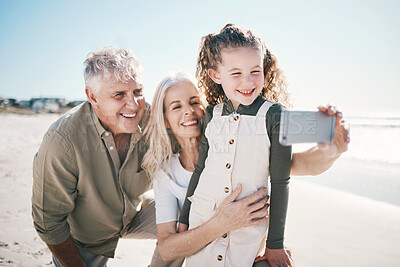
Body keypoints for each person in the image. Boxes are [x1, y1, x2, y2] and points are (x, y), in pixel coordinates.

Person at [143, 66, 349, 266]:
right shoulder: (166, 172)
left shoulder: (243, 146)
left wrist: (332, 150)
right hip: (195, 253)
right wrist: (222, 222)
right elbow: (168, 249)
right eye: (176, 107)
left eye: (194, 101)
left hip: (244, 254)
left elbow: (301, 165)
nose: (188, 111)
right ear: (166, 120)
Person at [31, 47, 182, 267]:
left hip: (133, 214)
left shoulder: (155, 122)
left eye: (137, 91)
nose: (133, 104)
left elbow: (196, 146)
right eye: (119, 94)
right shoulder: (62, 141)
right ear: (92, 96)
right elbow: (49, 223)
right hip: (84, 238)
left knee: (189, 212)